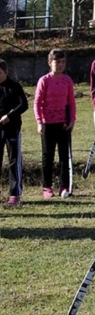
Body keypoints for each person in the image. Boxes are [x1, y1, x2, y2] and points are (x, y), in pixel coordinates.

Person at [33, 49, 76, 198]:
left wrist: (72, 119)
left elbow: (71, 101)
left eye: (63, 62)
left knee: (64, 156)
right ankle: (47, 186)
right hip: (48, 124)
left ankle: (64, 186)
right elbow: (37, 103)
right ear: (50, 63)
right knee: (48, 156)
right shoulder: (44, 80)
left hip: (63, 124)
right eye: (57, 62)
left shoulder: (67, 81)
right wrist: (40, 122)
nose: (60, 65)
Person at [0, 59, 28, 207]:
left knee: (14, 160)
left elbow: (23, 105)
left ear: (5, 72)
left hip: (12, 129)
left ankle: (14, 193)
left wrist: (9, 116)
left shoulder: (14, 87)